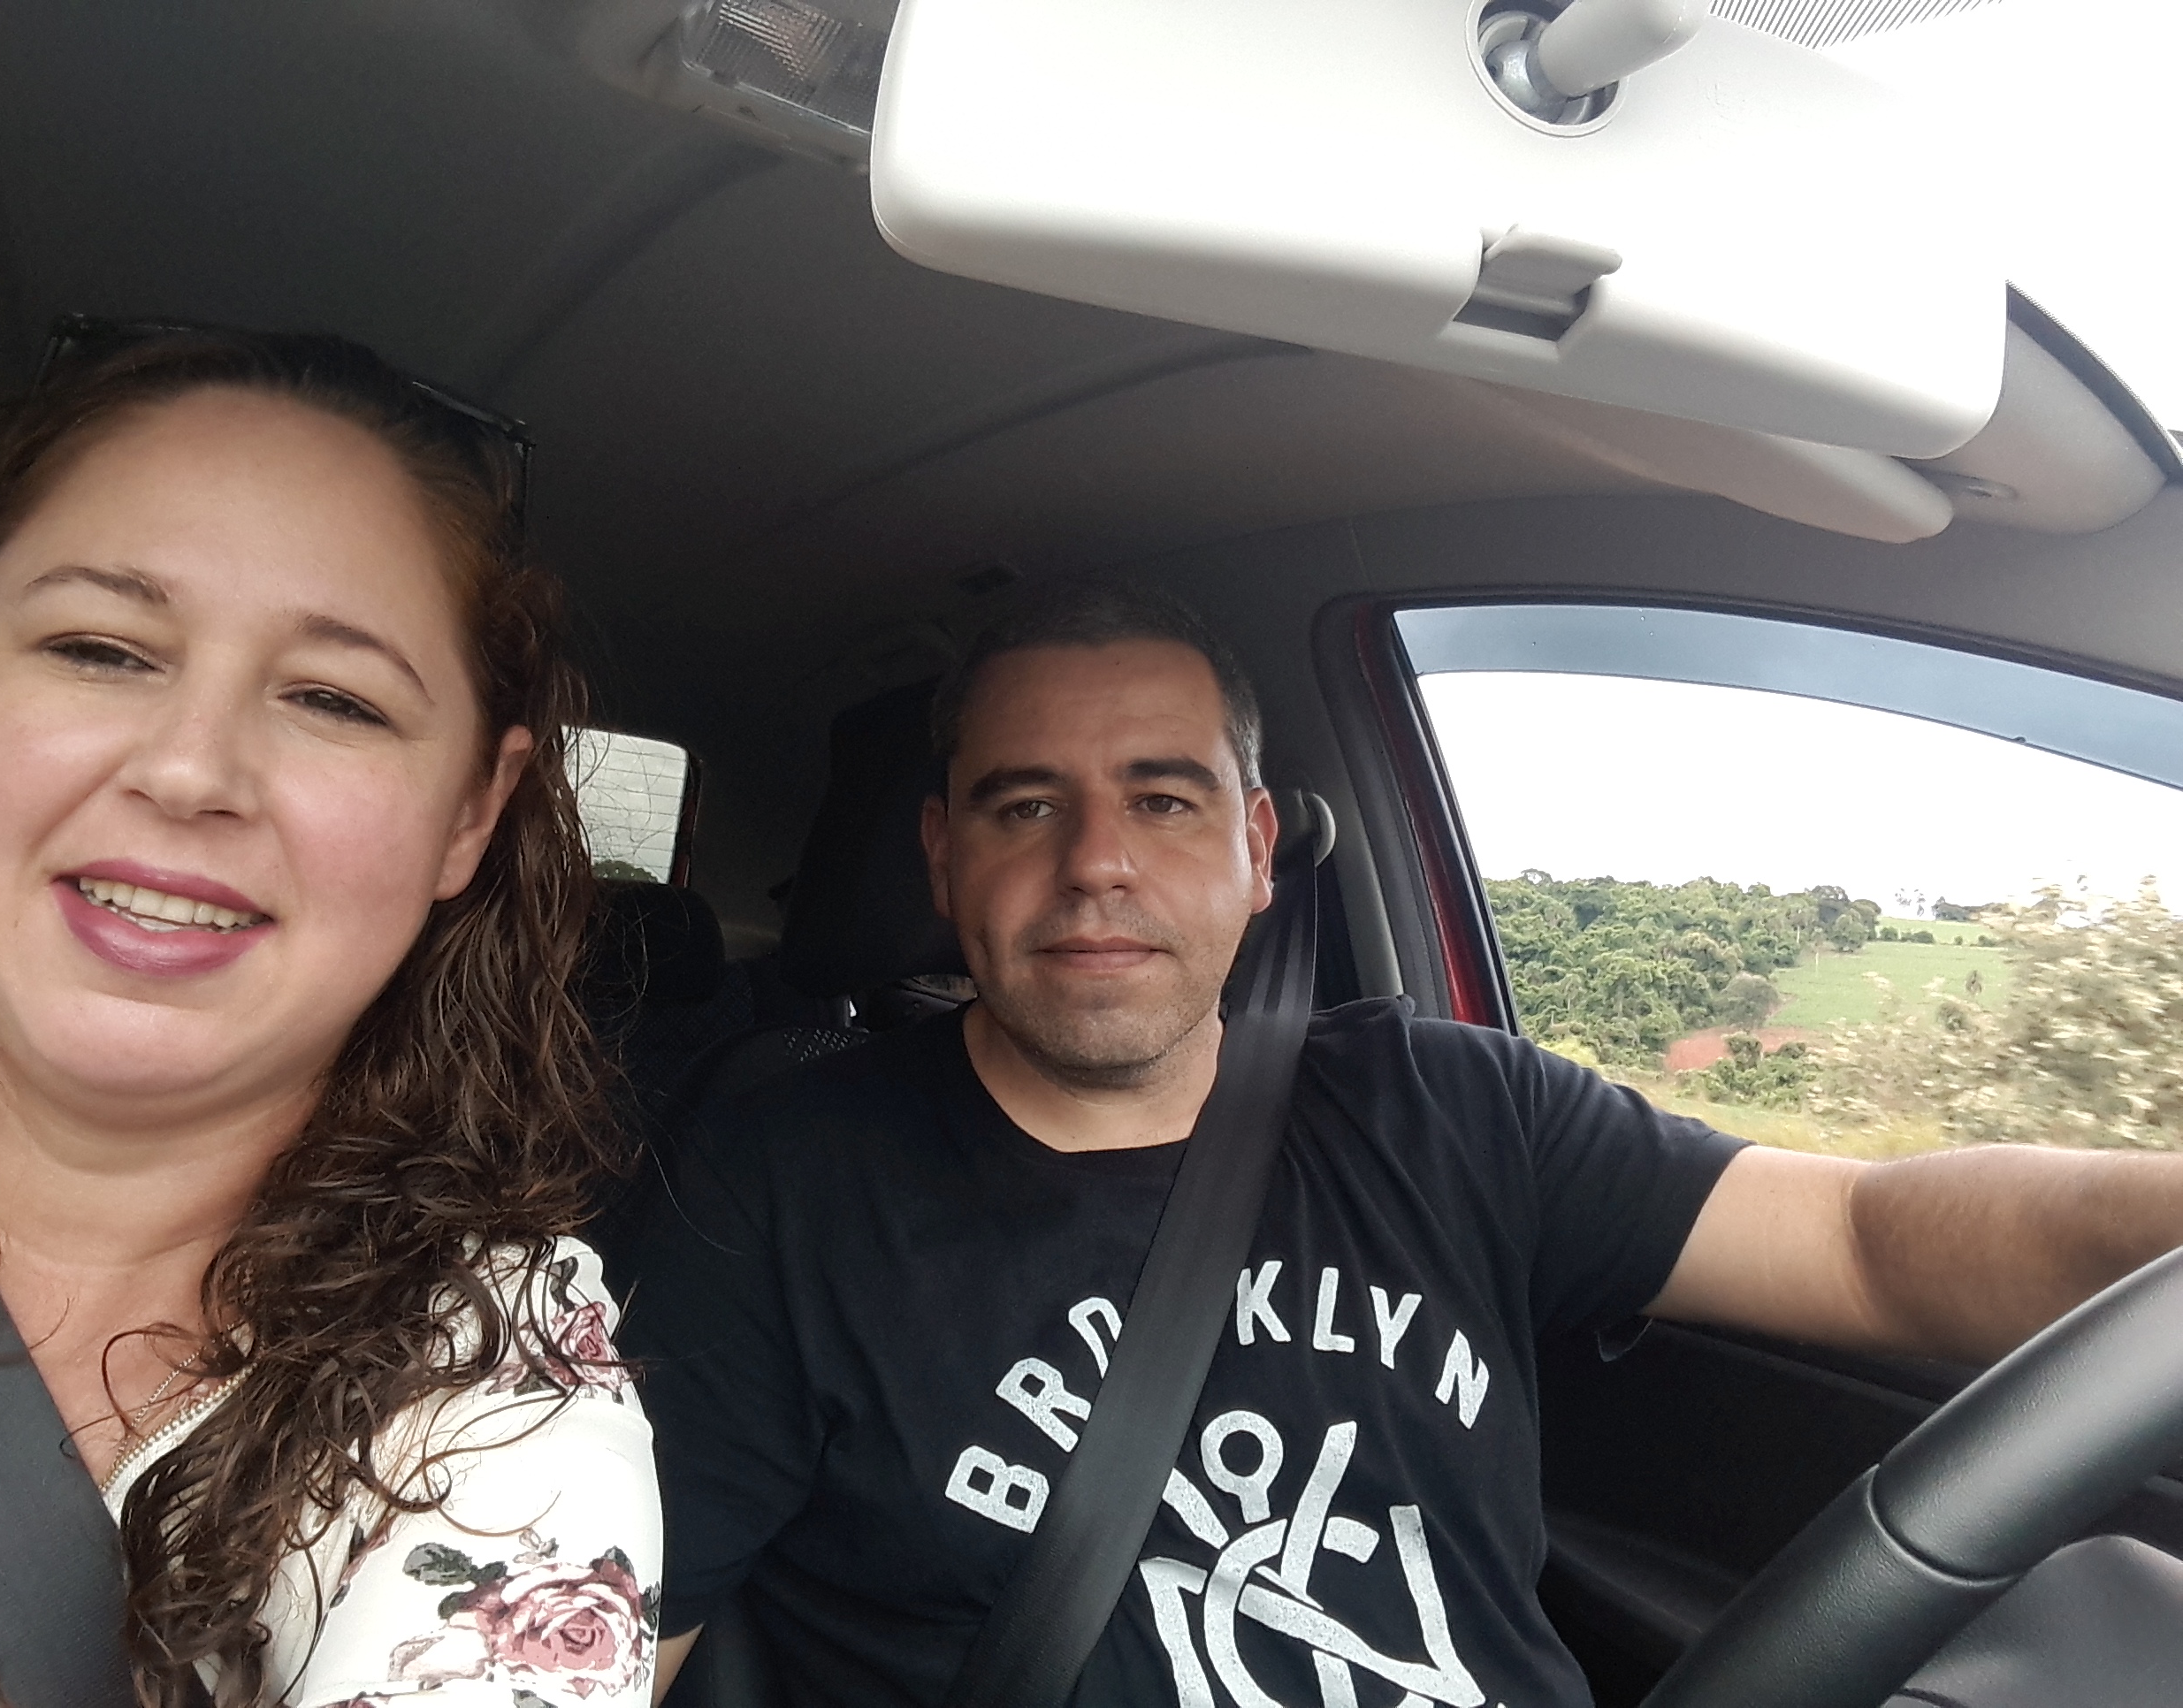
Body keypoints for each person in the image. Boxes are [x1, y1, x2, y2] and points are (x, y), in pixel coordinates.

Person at [622, 580, 2183, 1706]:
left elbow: (1865, 1238)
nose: (1096, 863)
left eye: (1164, 802)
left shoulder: (1452, 1106)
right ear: (941, 856)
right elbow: (609, 1645)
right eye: (1025, 807)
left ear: (1257, 850)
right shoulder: (773, 1185)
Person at [0, 325, 662, 1708]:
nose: (191, 769)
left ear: (472, 813)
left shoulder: (496, 1387)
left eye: (333, 699)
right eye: (99, 648)